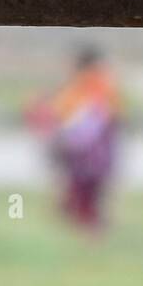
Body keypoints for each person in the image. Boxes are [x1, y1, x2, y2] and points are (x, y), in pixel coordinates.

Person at [25, 47, 121, 232]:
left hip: (87, 147)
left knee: (84, 188)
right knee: (84, 188)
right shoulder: (89, 85)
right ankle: (82, 222)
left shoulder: (92, 85)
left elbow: (97, 116)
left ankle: (84, 222)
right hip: (87, 147)